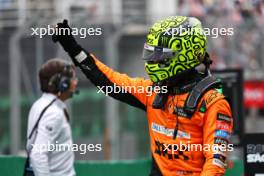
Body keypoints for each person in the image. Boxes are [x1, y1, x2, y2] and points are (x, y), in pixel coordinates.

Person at [53, 16, 233, 176]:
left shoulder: (213, 102)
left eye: (159, 57)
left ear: (183, 55)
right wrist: (73, 48)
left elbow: (215, 163)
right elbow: (107, 81)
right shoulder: (153, 92)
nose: (153, 62)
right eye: (152, 56)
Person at [26, 59, 78, 176]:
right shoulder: (53, 114)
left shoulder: (40, 104)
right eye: (73, 79)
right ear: (62, 84)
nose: (75, 82)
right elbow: (38, 155)